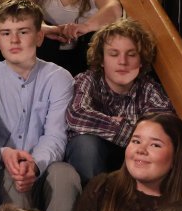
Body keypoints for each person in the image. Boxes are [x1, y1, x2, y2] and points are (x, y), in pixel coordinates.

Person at [0, 0, 81, 211]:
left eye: (23, 32)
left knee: (66, 174)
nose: (14, 40)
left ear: (39, 37)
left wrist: (35, 165)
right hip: (4, 168)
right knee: (13, 173)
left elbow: (55, 135)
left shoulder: (59, 78)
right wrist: (7, 155)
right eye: (6, 33)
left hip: (44, 168)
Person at [65, 17, 173, 182]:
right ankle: (93, 196)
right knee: (85, 143)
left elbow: (163, 130)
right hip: (92, 158)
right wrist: (123, 129)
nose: (123, 62)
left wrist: (133, 138)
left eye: (131, 55)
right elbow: (76, 114)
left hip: (135, 160)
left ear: (141, 61)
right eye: (114, 54)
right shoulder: (88, 80)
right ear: (102, 60)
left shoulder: (149, 89)